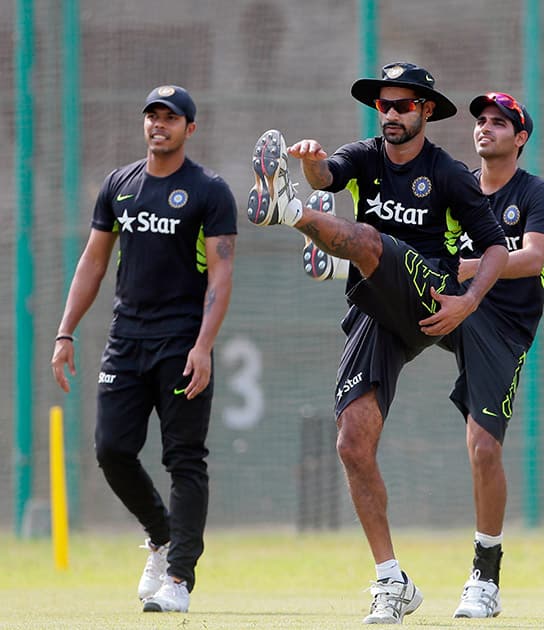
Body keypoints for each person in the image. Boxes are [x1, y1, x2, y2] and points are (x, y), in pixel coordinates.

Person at [246, 62, 509, 624]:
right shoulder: (364, 155)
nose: (389, 114)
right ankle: (392, 582)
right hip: (380, 306)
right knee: (352, 442)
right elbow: (328, 176)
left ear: (426, 111)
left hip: (430, 291)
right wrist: (314, 166)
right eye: (382, 106)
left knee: (367, 240)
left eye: (401, 106)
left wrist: (468, 302)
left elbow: (495, 251)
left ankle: (287, 212)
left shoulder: (450, 174)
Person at [50, 85, 238, 614]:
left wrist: (204, 346)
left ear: (189, 128)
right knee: (111, 449)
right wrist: (66, 332)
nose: (159, 124)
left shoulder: (209, 190)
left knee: (184, 458)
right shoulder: (119, 185)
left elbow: (222, 275)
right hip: (125, 341)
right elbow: (93, 262)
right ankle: (160, 536)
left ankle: (178, 577)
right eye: (152, 116)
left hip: (182, 344)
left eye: (170, 118)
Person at [440, 92, 544, 619]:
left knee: (483, 447)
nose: (485, 129)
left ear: (520, 137)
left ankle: (485, 576)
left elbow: (532, 259)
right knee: (390, 276)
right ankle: (332, 255)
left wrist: (471, 268)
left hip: (502, 326)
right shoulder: (457, 185)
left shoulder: (536, 192)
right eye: (480, 121)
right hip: (451, 305)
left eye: (498, 123)